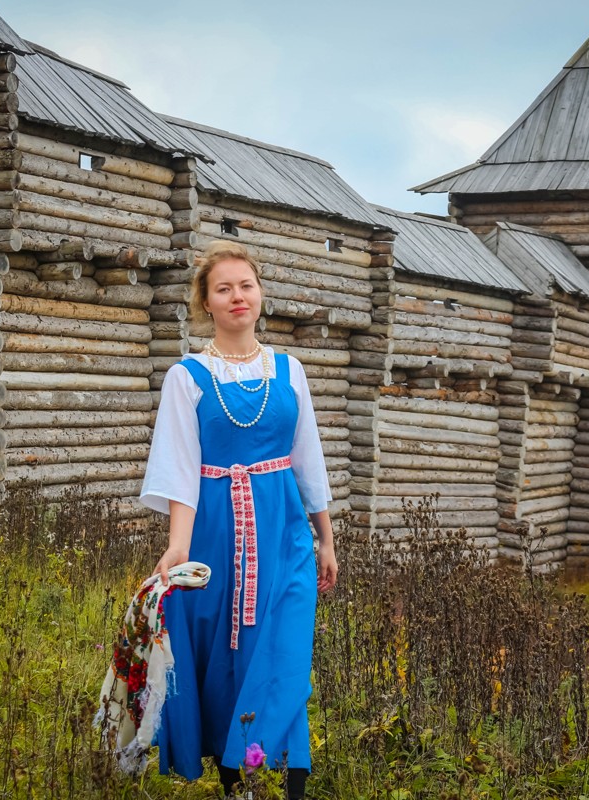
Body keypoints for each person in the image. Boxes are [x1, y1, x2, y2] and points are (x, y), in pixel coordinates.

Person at [139, 239, 338, 799]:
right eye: (223, 288)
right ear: (205, 302)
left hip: (283, 530)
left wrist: (326, 538)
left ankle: (291, 776)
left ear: (260, 293)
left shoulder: (289, 370)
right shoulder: (187, 377)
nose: (236, 297)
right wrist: (178, 547)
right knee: (227, 647)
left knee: (286, 642)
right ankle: (238, 775)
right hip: (215, 530)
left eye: (245, 285)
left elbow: (309, 459)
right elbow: (179, 467)